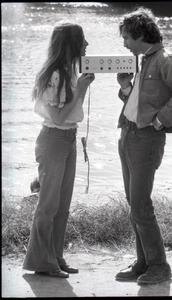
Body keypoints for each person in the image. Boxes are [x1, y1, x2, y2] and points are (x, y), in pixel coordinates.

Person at [115, 7, 172, 284]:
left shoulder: (165, 60)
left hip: (146, 140)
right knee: (134, 204)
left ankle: (160, 267)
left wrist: (161, 121)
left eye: (126, 37)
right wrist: (125, 88)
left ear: (140, 34)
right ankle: (144, 262)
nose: (124, 43)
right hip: (128, 135)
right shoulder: (145, 60)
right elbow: (140, 103)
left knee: (140, 205)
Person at [23, 23, 95, 278]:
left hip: (67, 138)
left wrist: (81, 88)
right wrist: (82, 90)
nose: (86, 45)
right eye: (83, 40)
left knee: (62, 205)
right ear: (70, 44)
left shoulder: (69, 71)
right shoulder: (55, 74)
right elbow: (59, 115)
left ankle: (54, 258)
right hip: (54, 139)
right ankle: (43, 262)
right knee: (49, 204)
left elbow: (72, 113)